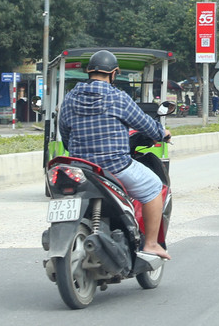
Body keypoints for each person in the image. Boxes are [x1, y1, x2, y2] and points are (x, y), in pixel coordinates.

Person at [57, 50, 173, 260]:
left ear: (88, 72)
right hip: (115, 166)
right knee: (154, 187)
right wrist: (161, 133)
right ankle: (151, 244)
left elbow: (64, 133)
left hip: (80, 168)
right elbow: (143, 123)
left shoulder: (70, 98)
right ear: (114, 74)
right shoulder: (118, 97)